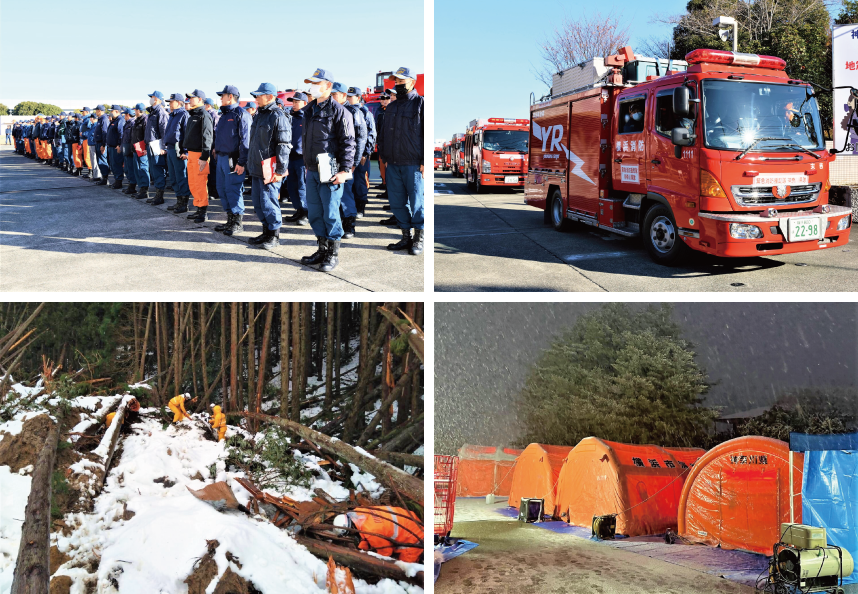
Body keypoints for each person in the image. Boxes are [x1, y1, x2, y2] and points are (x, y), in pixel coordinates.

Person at [300, 68, 356, 272]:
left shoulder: (340, 112)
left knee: (331, 212)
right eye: (311, 83)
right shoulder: (308, 111)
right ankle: (322, 248)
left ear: (328, 86)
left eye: (317, 83)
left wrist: (344, 170)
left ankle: (332, 253)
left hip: (330, 169)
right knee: (315, 212)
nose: (312, 87)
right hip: (312, 169)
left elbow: (348, 143)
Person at [378, 67, 425, 255]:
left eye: (401, 81)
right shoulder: (392, 106)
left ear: (412, 82)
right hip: (393, 163)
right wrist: (385, 157)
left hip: (413, 163)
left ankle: (418, 239)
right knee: (397, 202)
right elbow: (383, 135)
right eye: (396, 82)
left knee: (417, 203)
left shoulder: (421, 104)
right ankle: (405, 237)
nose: (398, 85)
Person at [246, 82, 291, 250]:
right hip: (257, 167)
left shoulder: (277, 115)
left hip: (270, 168)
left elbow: (284, 144)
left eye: (259, 95)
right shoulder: (259, 114)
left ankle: (274, 235)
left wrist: (280, 170)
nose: (256, 98)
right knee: (258, 203)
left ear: (270, 97)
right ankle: (266, 231)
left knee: (269, 202)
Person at [213, 85, 252, 236]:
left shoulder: (241, 114)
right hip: (221, 158)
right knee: (222, 189)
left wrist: (242, 162)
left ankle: (237, 222)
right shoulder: (223, 115)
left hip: (233, 159)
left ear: (230, 96)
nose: (220, 98)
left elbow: (245, 141)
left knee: (233, 189)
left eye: (222, 95)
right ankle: (230, 219)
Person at [331, 83, 366, 239]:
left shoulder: (352, 111)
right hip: (331, 160)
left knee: (346, 194)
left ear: (343, 95)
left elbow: (360, 138)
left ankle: (349, 225)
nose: (331, 97)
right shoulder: (331, 110)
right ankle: (338, 224)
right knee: (333, 195)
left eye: (335, 94)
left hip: (346, 160)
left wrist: (353, 162)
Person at [334, 507, 423, 563]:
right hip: (409, 518)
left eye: (348, 533)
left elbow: (386, 552)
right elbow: (363, 535)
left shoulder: (371, 532)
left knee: (405, 569)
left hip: (414, 537)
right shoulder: (359, 511)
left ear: (350, 528)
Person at [180, 89, 214, 223]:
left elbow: (207, 137)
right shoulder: (193, 115)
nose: (189, 100)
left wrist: (204, 157)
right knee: (193, 183)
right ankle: (198, 207)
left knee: (200, 183)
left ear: (200, 99)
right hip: (192, 154)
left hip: (200, 155)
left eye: (192, 98)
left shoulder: (203, 115)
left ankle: (203, 211)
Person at [348, 87, 376, 219]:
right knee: (350, 182)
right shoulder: (345, 111)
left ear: (358, 98)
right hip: (348, 154)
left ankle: (360, 208)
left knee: (360, 182)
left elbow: (371, 134)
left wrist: (365, 153)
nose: (348, 99)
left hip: (361, 155)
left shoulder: (365, 113)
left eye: (351, 96)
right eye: (347, 96)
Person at [283, 92, 309, 225]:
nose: (293, 104)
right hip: (290, 157)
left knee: (302, 186)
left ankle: (306, 212)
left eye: (297, 102)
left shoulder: (307, 117)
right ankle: (298, 210)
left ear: (305, 103)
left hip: (302, 159)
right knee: (292, 186)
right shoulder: (290, 118)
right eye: (293, 102)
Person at [163, 93, 191, 212]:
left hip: (178, 150)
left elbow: (187, 134)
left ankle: (184, 203)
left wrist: (186, 152)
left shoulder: (183, 114)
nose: (169, 103)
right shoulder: (172, 115)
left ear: (179, 102)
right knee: (174, 177)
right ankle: (178, 200)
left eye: (172, 101)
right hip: (170, 148)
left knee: (181, 176)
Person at [145, 91, 169, 205]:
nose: (151, 99)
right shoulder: (152, 112)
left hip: (157, 145)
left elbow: (164, 130)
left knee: (158, 169)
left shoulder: (161, 112)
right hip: (150, 145)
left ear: (158, 99)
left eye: (153, 97)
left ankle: (160, 196)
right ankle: (157, 194)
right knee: (154, 170)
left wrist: (164, 147)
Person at [131, 103, 151, 200]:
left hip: (142, 146)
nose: (134, 111)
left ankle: (145, 189)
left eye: (135, 110)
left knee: (143, 167)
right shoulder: (137, 120)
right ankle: (140, 188)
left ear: (139, 110)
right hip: (136, 146)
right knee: (137, 168)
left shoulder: (145, 119)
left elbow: (146, 135)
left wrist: (145, 148)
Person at [204, 97, 221, 205]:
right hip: (207, 146)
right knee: (208, 170)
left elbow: (216, 133)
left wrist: (215, 147)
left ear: (208, 105)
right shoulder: (207, 115)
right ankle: (210, 190)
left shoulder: (213, 115)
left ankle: (214, 192)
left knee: (213, 170)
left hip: (212, 147)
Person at [106, 105, 125, 189]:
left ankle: (119, 181)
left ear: (117, 111)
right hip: (111, 146)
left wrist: (119, 145)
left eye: (112, 111)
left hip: (116, 147)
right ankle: (116, 180)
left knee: (117, 164)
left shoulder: (120, 120)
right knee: (113, 165)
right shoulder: (115, 120)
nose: (111, 112)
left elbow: (121, 133)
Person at [92, 105, 110, 185]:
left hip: (101, 143)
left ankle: (105, 178)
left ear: (99, 110)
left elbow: (105, 133)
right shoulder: (100, 119)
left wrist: (103, 144)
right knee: (100, 160)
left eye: (96, 110)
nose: (95, 112)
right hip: (98, 143)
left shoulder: (104, 119)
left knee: (102, 161)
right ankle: (104, 177)